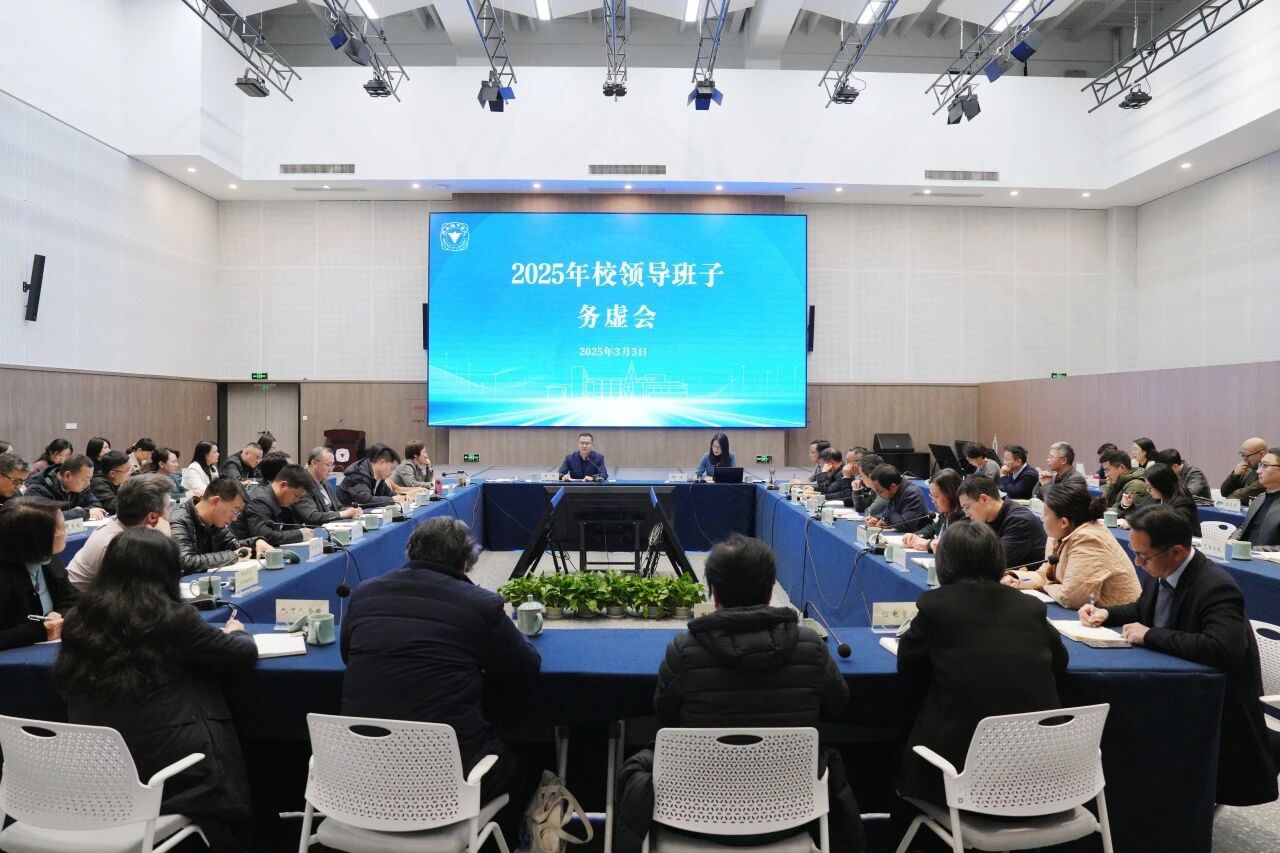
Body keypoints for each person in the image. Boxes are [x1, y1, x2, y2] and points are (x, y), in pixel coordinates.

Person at [648, 533, 860, 851]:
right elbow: (838, 706)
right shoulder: (811, 647)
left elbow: (664, 715)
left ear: (713, 593)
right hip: (792, 814)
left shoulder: (684, 650)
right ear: (770, 589)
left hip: (695, 813)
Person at [52, 528, 258, 852]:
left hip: (95, 766)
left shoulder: (79, 617)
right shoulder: (170, 617)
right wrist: (237, 632)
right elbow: (241, 654)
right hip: (166, 772)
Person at [341, 518, 540, 842]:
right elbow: (525, 667)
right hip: (446, 785)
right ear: (466, 563)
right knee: (525, 761)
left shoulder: (364, 594)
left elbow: (347, 654)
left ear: (410, 553)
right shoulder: (481, 604)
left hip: (361, 779)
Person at [1080, 505, 1279, 806]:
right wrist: (1106, 614)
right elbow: (1144, 609)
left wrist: (1149, 635)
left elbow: (1223, 649)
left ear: (1175, 552)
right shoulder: (1162, 569)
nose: (1137, 562)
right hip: (1174, 685)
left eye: (1143, 556)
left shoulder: (1216, 587)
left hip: (1214, 708)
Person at [897, 520, 1067, 806]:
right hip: (1042, 781)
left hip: (962, 779)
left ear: (945, 564)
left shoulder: (936, 606)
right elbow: (1060, 663)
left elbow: (909, 666)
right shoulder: (1029, 607)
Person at [1002, 482, 1141, 609]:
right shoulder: (1057, 534)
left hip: (1117, 619)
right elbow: (1045, 575)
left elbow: (1071, 598)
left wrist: (1046, 586)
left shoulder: (1089, 539)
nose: (1042, 518)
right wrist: (1017, 579)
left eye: (1045, 514)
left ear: (1063, 522)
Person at [67, 474, 173, 591]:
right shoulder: (116, 545)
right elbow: (146, 592)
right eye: (168, 508)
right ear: (153, 517)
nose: (171, 513)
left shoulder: (124, 525)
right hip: (82, 600)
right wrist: (164, 541)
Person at [0, 498, 76, 650]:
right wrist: (40, 631)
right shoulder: (4, 577)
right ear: (39, 538)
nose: (66, 532)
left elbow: (74, 599)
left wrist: (60, 614)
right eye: (62, 527)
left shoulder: (47, 559)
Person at [169, 477, 268, 573]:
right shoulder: (178, 520)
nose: (234, 518)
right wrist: (232, 556)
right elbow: (185, 561)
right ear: (216, 501)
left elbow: (233, 545)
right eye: (235, 511)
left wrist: (256, 543)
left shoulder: (214, 521)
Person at [956, 475, 1047, 569]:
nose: (967, 514)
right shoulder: (988, 519)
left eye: (967, 507)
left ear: (984, 499)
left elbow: (992, 565)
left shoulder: (1020, 522)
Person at [230, 464, 315, 547]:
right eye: (296, 495)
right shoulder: (260, 501)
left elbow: (289, 527)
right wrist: (299, 534)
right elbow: (263, 536)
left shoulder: (281, 500)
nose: (297, 500)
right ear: (283, 485)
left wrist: (301, 531)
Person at [293, 447, 362, 526]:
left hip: (333, 525)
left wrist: (350, 510)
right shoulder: (301, 483)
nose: (331, 469)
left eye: (332, 465)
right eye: (328, 465)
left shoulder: (325, 482)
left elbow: (338, 507)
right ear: (314, 463)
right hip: (315, 529)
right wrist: (343, 514)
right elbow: (312, 516)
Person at [25, 454, 106, 521]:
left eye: (90, 479)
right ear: (67, 476)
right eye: (85, 479)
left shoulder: (81, 487)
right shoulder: (38, 488)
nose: (88, 483)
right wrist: (81, 513)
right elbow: (42, 518)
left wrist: (80, 513)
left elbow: (96, 506)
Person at [1230, 447, 1280, 550]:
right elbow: (1244, 527)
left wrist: (1253, 551)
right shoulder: (1259, 498)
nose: (1258, 471)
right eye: (1260, 465)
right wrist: (1233, 539)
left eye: (1265, 466)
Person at [903, 469, 963, 554]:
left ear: (951, 494)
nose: (933, 501)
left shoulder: (965, 518)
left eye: (936, 496)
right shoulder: (946, 513)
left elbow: (955, 546)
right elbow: (932, 529)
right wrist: (914, 536)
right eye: (932, 496)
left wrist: (928, 544)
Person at [1136, 462, 1200, 536]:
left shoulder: (1182, 500)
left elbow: (1175, 528)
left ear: (1160, 485)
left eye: (1149, 487)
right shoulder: (1158, 494)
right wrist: (1128, 505)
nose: (1148, 490)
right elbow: (1141, 510)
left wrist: (1142, 525)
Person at [337, 444, 406, 508]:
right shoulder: (360, 475)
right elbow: (365, 500)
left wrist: (401, 497)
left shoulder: (378, 475)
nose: (392, 473)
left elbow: (387, 493)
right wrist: (392, 500)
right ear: (382, 462)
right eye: (392, 468)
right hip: (345, 511)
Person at [865, 465, 928, 533]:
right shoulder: (894, 490)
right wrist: (878, 519)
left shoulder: (912, 494)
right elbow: (890, 513)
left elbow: (905, 525)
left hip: (918, 536)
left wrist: (886, 517)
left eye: (880, 491)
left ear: (892, 486)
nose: (879, 495)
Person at [1101, 448, 1148, 516]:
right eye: (1105, 471)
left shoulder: (1136, 485)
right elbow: (1103, 503)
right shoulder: (1117, 481)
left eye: (1108, 470)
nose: (1106, 475)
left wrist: (1097, 511)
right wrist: (1109, 486)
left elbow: (1120, 512)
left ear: (1122, 468)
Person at [1222, 437, 1269, 505]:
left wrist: (1231, 496)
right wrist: (1234, 475)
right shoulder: (1247, 468)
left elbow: (1244, 495)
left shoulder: (1270, 472)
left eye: (1247, 456)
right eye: (1242, 455)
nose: (1244, 459)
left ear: (1262, 454)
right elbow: (1224, 492)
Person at [89, 450, 131, 515]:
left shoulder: (118, 480)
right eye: (127, 470)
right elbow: (114, 506)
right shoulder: (99, 483)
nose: (130, 473)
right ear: (112, 473)